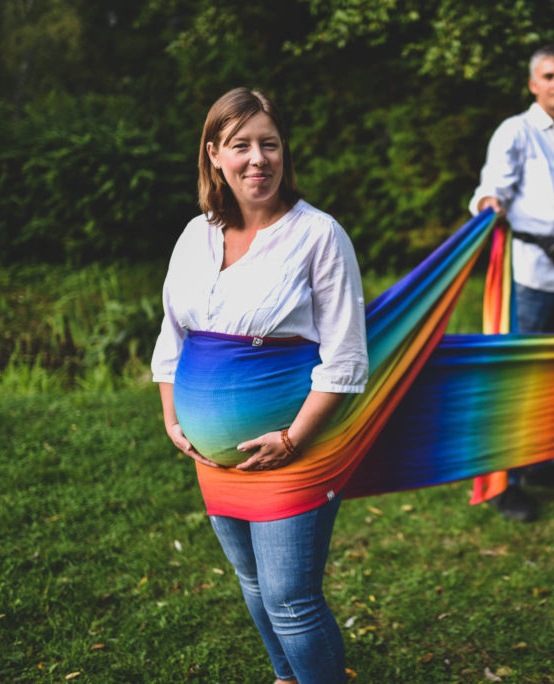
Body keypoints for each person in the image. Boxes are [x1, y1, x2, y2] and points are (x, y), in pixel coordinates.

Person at [151, 87, 368, 684]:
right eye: (241, 145)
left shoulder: (319, 235)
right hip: (212, 460)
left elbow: (346, 361)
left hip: (293, 448)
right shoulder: (195, 236)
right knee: (252, 583)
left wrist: (293, 438)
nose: (258, 159)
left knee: (292, 601)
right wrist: (175, 421)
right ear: (214, 154)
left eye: (269, 144)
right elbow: (172, 341)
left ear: (284, 152)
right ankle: (285, 677)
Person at [469, 45, 554, 522]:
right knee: (515, 377)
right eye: (549, 76)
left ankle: (542, 462)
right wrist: (488, 203)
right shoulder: (516, 131)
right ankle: (506, 481)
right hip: (527, 271)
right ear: (533, 83)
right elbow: (491, 186)